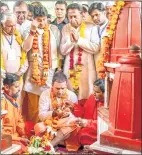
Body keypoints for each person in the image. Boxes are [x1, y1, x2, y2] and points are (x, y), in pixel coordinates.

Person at [23, 6, 61, 123]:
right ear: (33, 19)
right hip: (32, 73)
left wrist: (58, 68)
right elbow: (25, 48)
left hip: (48, 73)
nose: (43, 22)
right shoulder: (27, 30)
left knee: (46, 104)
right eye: (39, 20)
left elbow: (58, 52)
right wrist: (32, 31)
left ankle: (46, 131)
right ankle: (33, 133)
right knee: (33, 107)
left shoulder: (53, 29)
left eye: (44, 19)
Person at [60, 3, 100, 105]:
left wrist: (79, 40)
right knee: (69, 98)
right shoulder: (65, 28)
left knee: (86, 96)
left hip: (87, 69)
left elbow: (95, 48)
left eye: (75, 16)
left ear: (82, 14)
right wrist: (71, 41)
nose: (72, 19)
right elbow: (63, 51)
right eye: (70, 17)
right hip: (70, 69)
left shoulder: (91, 27)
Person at [37, 71, 78, 147]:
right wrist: (54, 113)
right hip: (50, 124)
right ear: (52, 86)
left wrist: (68, 114)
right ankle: (58, 142)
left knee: (72, 126)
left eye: (63, 88)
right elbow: (41, 115)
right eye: (57, 88)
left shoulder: (72, 96)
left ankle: (50, 145)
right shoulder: (45, 94)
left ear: (66, 86)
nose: (60, 91)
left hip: (66, 124)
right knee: (39, 127)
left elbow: (77, 117)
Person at [66, 79, 105, 151]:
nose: (94, 94)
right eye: (94, 91)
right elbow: (84, 112)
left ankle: (93, 148)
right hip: (88, 127)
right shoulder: (92, 97)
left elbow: (105, 125)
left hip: (99, 131)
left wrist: (87, 123)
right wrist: (73, 107)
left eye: (97, 92)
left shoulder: (109, 105)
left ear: (105, 93)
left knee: (83, 134)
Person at [1, 11, 28, 110]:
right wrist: (5, 76)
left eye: (14, 25)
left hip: (17, 80)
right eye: (9, 26)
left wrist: (20, 72)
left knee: (18, 107)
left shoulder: (18, 37)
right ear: (3, 24)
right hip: (3, 80)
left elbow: (25, 58)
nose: (13, 28)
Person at [1, 73, 31, 144]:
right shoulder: (2, 102)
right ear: (6, 87)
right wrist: (19, 139)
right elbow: (1, 132)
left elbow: (19, 120)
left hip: (15, 135)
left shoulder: (15, 100)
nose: (19, 89)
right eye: (16, 87)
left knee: (31, 126)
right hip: (6, 138)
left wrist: (23, 134)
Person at [88, 2, 109, 76]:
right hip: (97, 66)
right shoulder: (93, 29)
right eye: (92, 16)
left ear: (104, 13)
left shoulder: (113, 26)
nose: (95, 18)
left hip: (109, 65)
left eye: (97, 15)